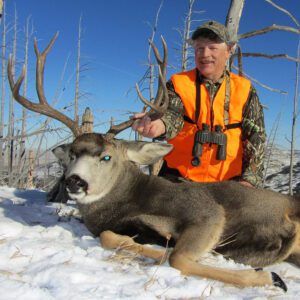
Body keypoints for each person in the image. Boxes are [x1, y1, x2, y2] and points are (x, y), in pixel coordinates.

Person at [132, 20, 266, 187]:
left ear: (229, 51)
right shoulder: (178, 83)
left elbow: (256, 138)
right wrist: (159, 124)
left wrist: (249, 180)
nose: (204, 54)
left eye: (212, 48)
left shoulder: (245, 90)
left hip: (228, 186)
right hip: (179, 180)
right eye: (199, 48)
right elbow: (172, 113)